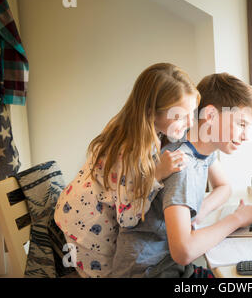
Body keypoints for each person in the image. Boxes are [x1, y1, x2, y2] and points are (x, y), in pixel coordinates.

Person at [111, 73, 252, 278]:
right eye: (241, 124)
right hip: (149, 272)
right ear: (211, 115)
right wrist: (237, 219)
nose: (246, 135)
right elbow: (184, 251)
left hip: (166, 266)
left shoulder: (203, 148)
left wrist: (197, 214)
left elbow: (224, 186)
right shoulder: (181, 164)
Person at [54, 63, 200, 278]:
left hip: (78, 209)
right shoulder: (131, 150)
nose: (189, 122)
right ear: (152, 113)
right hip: (85, 229)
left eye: (191, 113)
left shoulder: (137, 126)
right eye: (179, 116)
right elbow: (128, 218)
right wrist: (157, 174)